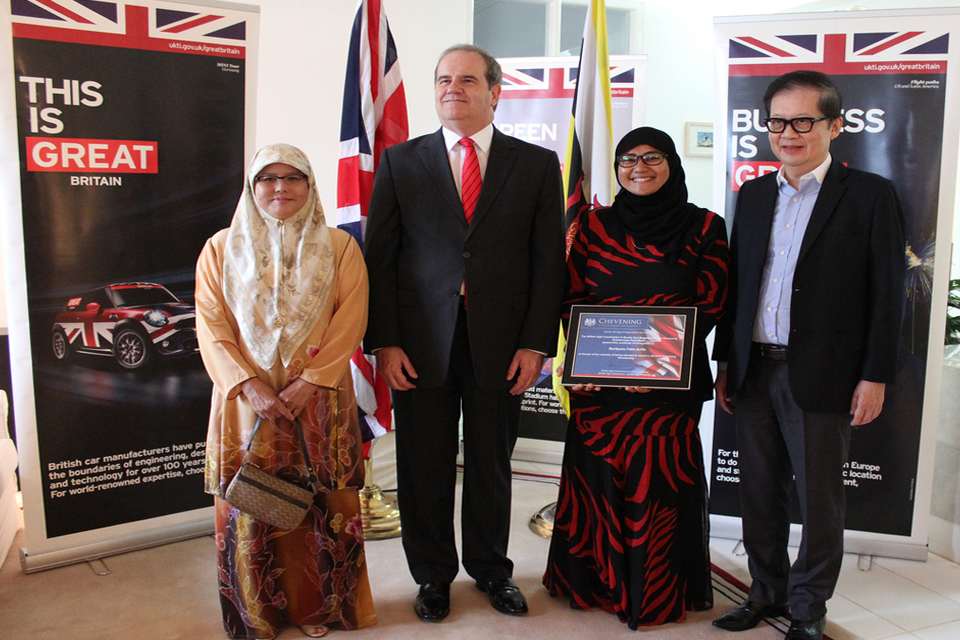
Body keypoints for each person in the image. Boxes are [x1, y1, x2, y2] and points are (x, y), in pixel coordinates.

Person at [364, 44, 565, 621]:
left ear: (495, 91)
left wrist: (535, 343)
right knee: (422, 466)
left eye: (468, 79)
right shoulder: (402, 162)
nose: (454, 88)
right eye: (444, 79)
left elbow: (547, 262)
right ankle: (431, 577)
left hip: (502, 347)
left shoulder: (534, 165)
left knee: (490, 465)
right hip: (419, 345)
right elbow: (380, 260)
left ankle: (491, 571)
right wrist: (386, 341)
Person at [711, 71, 906, 640]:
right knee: (758, 492)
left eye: (804, 121)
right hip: (753, 369)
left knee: (818, 501)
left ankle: (807, 608)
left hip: (824, 375)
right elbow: (740, 286)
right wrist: (727, 361)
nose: (788, 133)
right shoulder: (751, 194)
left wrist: (875, 377)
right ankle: (764, 592)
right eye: (777, 122)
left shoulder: (870, 195)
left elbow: (888, 295)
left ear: (835, 126)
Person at [543, 126, 730, 628]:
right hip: (599, 385)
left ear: (672, 164)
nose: (638, 168)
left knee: (660, 486)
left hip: (666, 388)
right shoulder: (591, 225)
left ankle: (657, 591)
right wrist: (583, 358)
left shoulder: (706, 226)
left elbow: (711, 302)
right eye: (627, 159)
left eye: (651, 158)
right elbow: (570, 296)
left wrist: (658, 360)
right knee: (597, 478)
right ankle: (594, 583)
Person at [196, 144, 376, 639]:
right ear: (252, 189)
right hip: (244, 404)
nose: (280, 187)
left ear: (310, 185)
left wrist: (310, 383)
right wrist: (247, 384)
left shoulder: (340, 247)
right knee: (249, 502)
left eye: (292, 177)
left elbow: (350, 318)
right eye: (267, 178)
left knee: (321, 499)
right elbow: (210, 324)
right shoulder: (218, 248)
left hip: (318, 396)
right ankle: (257, 613)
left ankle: (321, 609)